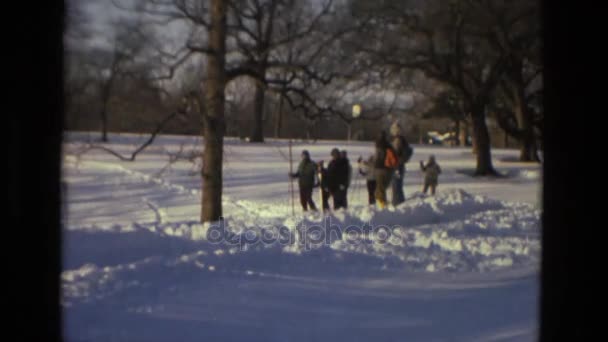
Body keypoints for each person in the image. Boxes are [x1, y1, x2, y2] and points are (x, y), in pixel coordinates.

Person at [389, 121, 413, 206]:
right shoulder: (402, 140)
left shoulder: (398, 140)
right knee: (397, 185)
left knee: (396, 186)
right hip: (399, 166)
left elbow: (395, 153)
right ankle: (400, 204)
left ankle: (397, 205)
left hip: (397, 166)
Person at [374, 131, 397, 209]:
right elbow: (394, 159)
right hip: (387, 169)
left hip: (379, 169)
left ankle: (382, 206)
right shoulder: (389, 146)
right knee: (381, 188)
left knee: (380, 189)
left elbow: (377, 158)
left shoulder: (378, 145)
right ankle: (383, 205)